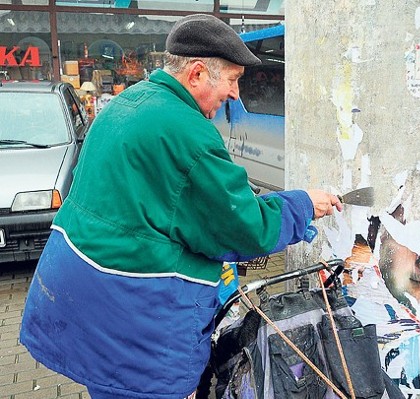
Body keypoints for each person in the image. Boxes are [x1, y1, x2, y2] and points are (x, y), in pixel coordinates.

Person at [19, 14, 342, 399]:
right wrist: (301, 205)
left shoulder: (129, 103)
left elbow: (164, 205)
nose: (236, 95)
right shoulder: (187, 131)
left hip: (82, 304)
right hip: (136, 326)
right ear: (197, 74)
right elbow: (244, 228)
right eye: (233, 79)